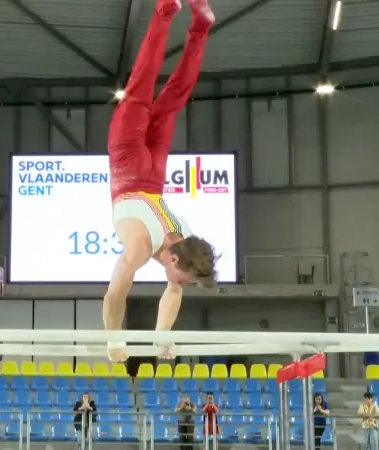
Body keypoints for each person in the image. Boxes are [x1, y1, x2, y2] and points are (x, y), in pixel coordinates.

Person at [104, 0, 218, 363]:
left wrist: (161, 338)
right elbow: (113, 297)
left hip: (154, 175)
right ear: (173, 257)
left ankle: (200, 27)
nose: (177, 283)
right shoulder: (141, 246)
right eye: (179, 276)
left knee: (172, 98)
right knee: (140, 87)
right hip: (128, 165)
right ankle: (165, 11)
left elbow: (173, 290)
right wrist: (113, 341)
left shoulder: (184, 241)